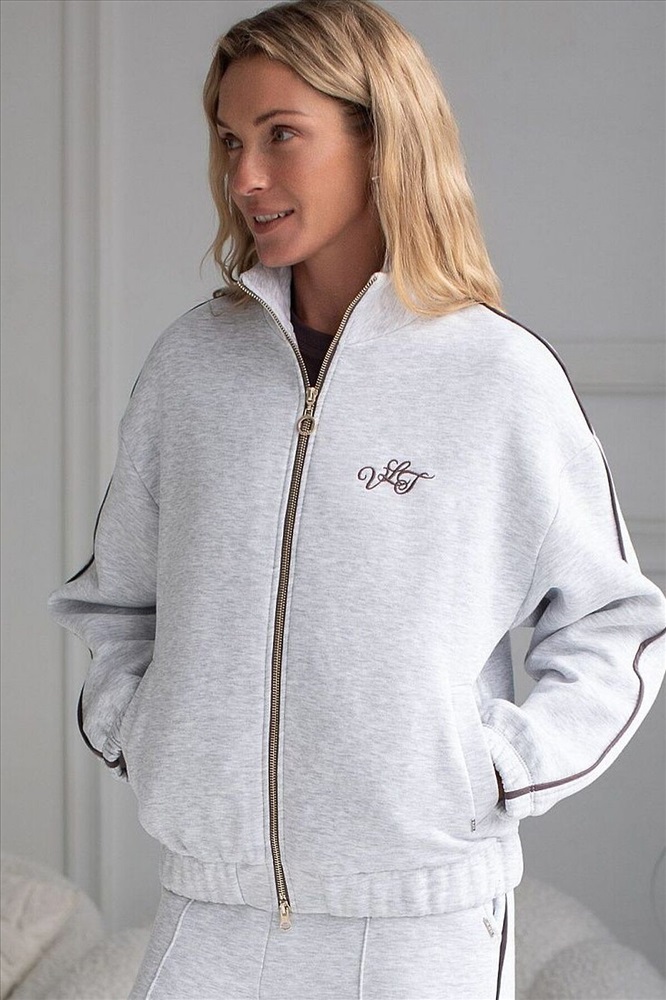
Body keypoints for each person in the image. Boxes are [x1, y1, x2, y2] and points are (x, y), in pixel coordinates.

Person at [46, 1, 666, 998]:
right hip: (209, 908)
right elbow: (116, 602)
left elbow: (614, 623)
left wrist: (491, 770)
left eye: (281, 135)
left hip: (421, 923)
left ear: (381, 140)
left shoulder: (496, 378)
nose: (245, 177)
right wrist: (150, 734)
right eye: (231, 141)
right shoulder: (191, 368)